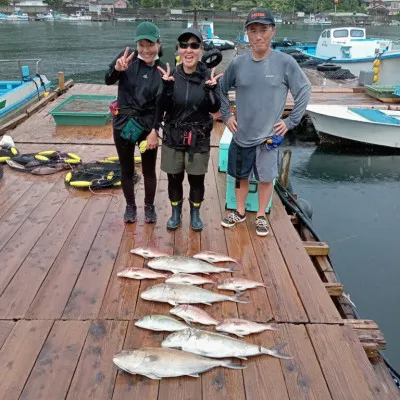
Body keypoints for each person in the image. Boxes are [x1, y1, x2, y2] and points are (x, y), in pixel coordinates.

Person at [219, 9, 311, 237]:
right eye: (253, 30)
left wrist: (291, 122)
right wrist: (227, 116)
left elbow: (304, 90)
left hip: (269, 136)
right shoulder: (238, 63)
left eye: (263, 30)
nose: (258, 36)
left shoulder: (285, 62)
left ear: (273, 31)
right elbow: (220, 90)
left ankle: (260, 214)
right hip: (242, 134)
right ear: (247, 34)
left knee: (266, 177)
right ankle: (239, 212)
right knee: (240, 176)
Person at [155, 27, 222, 232]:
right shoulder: (170, 75)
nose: (188, 50)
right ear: (178, 50)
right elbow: (162, 106)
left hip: (198, 138)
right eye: (184, 45)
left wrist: (211, 90)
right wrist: (166, 88)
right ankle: (176, 212)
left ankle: (195, 212)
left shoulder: (208, 76)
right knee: (173, 177)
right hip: (173, 135)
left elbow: (214, 107)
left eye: (194, 45)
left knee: (196, 179)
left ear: (201, 49)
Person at [105, 22, 165, 223]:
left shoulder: (163, 69)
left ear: (159, 44)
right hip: (123, 124)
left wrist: (155, 130)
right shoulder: (125, 59)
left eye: (150, 44)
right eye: (142, 45)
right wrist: (116, 69)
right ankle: (130, 206)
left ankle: (149, 206)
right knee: (126, 168)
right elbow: (107, 80)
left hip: (147, 127)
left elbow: (162, 104)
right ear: (136, 44)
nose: (146, 50)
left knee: (149, 169)